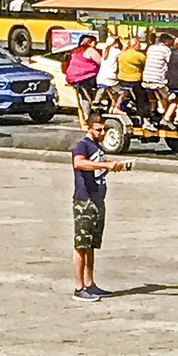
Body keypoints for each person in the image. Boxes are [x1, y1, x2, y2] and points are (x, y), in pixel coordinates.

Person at [71, 110, 130, 302]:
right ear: (89, 128)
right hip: (84, 200)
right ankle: (79, 287)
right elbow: (79, 163)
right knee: (81, 243)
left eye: (104, 129)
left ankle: (90, 284)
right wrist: (105, 166)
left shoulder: (98, 147)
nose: (102, 133)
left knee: (91, 245)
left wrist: (113, 166)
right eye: (98, 129)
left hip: (97, 199)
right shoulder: (83, 145)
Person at [65, 34, 101, 123]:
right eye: (94, 43)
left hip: (72, 78)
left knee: (84, 95)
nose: (95, 45)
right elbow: (101, 62)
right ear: (90, 43)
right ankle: (96, 104)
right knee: (104, 85)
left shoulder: (75, 51)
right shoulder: (90, 50)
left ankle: (86, 113)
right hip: (85, 77)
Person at [140, 33, 173, 131]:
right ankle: (167, 117)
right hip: (158, 80)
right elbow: (170, 63)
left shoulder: (151, 48)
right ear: (166, 41)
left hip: (146, 79)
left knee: (152, 98)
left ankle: (152, 114)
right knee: (170, 98)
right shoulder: (167, 50)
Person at [115, 36, 147, 117]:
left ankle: (118, 106)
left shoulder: (122, 54)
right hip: (134, 80)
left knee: (124, 93)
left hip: (122, 79)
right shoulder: (139, 55)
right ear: (135, 45)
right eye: (139, 43)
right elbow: (145, 65)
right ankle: (143, 113)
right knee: (142, 96)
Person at [94, 33, 122, 108]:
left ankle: (97, 101)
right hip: (111, 77)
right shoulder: (116, 51)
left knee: (111, 91)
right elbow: (124, 56)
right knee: (121, 92)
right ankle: (115, 107)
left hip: (101, 77)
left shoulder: (105, 50)